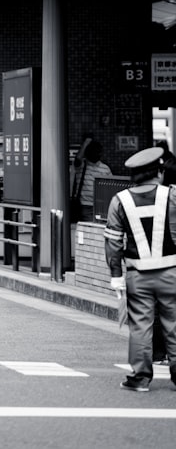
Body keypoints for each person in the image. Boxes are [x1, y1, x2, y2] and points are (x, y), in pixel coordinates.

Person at [103, 146, 176, 392]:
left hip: (138, 274)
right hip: (171, 272)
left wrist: (116, 277)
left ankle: (140, 377)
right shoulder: (173, 196)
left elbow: (113, 242)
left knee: (141, 325)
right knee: (174, 323)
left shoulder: (119, 201)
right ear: (159, 172)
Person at [72, 138, 112, 223]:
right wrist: (86, 142)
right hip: (84, 205)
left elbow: (110, 188)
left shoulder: (105, 168)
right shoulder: (81, 166)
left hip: (101, 206)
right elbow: (78, 158)